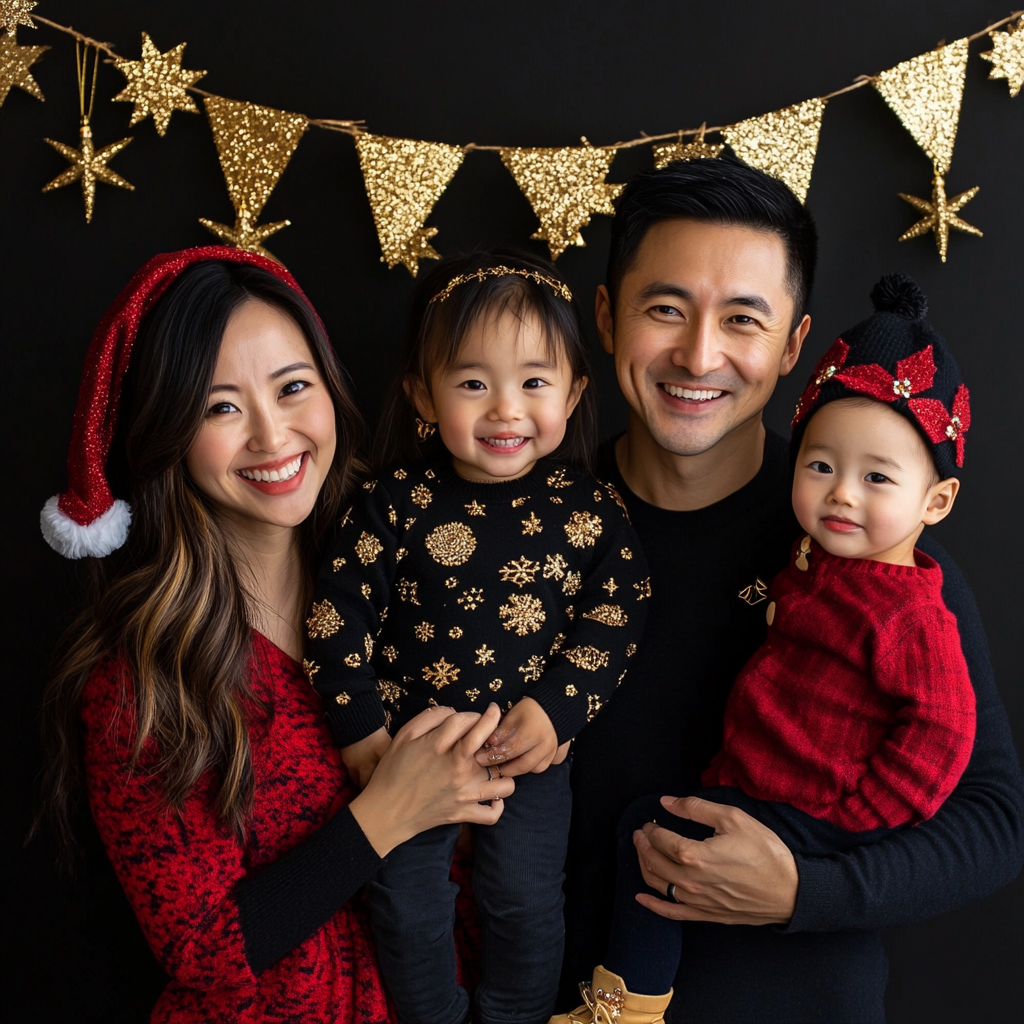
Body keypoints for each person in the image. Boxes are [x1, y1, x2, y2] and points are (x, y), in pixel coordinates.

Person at [560, 159, 1024, 1023]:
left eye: (743, 319)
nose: (699, 355)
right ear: (605, 317)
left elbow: (994, 824)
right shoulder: (529, 529)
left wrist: (809, 891)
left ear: (791, 346)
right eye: (665, 309)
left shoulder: (882, 554)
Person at [36, 247, 514, 1024]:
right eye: (221, 407)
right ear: (170, 431)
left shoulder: (413, 588)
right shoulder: (143, 682)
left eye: (293, 388)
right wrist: (384, 816)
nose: (272, 434)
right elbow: (203, 954)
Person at [305, 250, 649, 1024]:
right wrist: (360, 730)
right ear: (423, 395)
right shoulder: (392, 504)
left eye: (534, 381)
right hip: (411, 752)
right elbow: (335, 621)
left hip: (526, 750)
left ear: (574, 392)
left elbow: (618, 614)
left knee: (523, 899)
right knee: (403, 897)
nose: (505, 409)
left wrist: (559, 711)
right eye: (472, 383)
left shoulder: (590, 510)